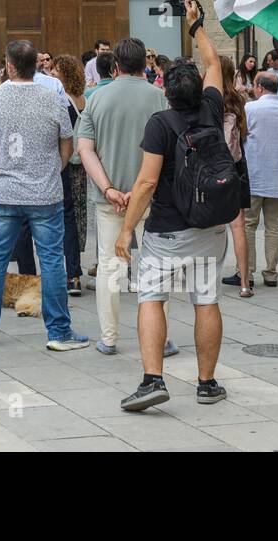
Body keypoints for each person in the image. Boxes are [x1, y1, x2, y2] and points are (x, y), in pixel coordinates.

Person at [115, 0, 231, 411]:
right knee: (206, 299)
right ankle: (206, 383)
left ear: (164, 89)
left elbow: (146, 182)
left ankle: (152, 380)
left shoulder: (161, 124)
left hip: (166, 229)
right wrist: (195, 25)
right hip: (208, 227)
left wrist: (127, 229)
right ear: (200, 88)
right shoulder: (213, 111)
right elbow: (213, 61)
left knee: (152, 298)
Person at [0, 39, 88, 352]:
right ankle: (59, 332)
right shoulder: (52, 98)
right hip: (44, 191)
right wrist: (51, 168)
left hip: (4, 191)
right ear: (36, 65)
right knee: (51, 259)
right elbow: (66, 143)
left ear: (7, 66)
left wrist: (3, 166)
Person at [76, 37, 172, 356]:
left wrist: (108, 188)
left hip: (110, 199)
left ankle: (110, 336)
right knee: (155, 264)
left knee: (109, 264)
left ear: (115, 65)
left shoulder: (96, 99)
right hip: (152, 194)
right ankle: (160, 337)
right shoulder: (160, 98)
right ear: (144, 64)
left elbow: (85, 149)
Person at [223, 70, 278, 289]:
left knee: (248, 224)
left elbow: (241, 137)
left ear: (259, 87)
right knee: (274, 225)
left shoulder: (251, 108)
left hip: (255, 175)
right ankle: (271, 272)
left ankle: (246, 271)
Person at [218, 56, 255, 300]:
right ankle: (244, 283)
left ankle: (205, 278)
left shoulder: (208, 99)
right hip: (237, 166)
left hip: (214, 166)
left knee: (210, 226)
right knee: (238, 226)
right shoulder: (237, 99)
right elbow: (244, 133)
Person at [53, 54, 88, 295]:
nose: (52, 73)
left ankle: (70, 273)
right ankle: (74, 273)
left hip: (64, 164)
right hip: (81, 163)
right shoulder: (83, 99)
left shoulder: (61, 100)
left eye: (55, 70)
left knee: (64, 216)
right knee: (74, 216)